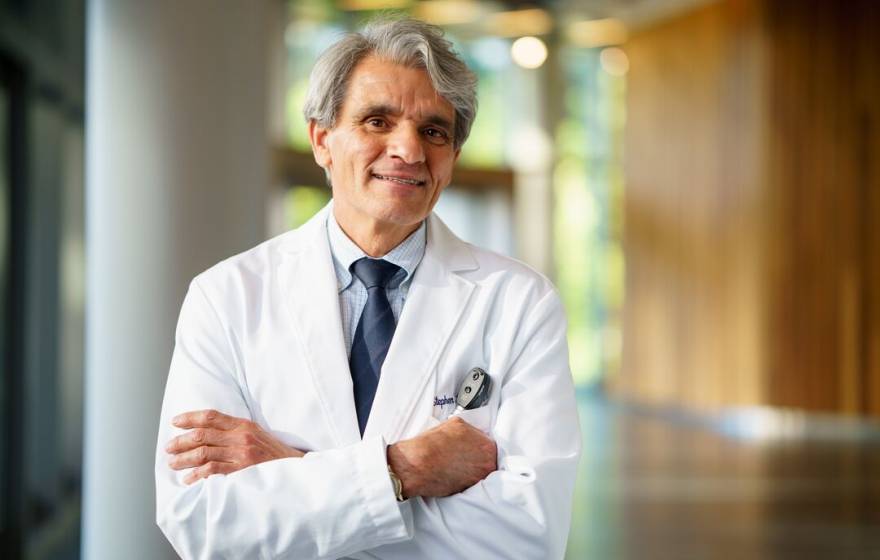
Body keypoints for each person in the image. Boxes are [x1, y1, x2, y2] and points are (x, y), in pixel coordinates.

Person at [155, 17, 581, 559]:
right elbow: (202, 523)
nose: (408, 150)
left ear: (451, 160)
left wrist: (293, 474)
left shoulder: (521, 302)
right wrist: (407, 468)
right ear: (321, 140)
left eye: (433, 131)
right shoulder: (226, 296)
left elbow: (529, 535)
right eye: (377, 121)